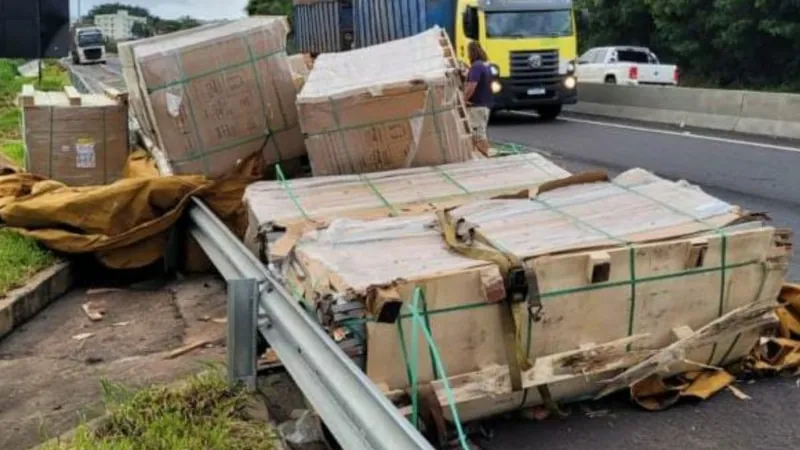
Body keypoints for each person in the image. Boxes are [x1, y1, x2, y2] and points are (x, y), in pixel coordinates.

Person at [463, 41, 493, 157]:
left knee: (478, 136)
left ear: (472, 52)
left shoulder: (476, 67)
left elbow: (472, 86)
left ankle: (487, 158)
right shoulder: (484, 65)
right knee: (479, 134)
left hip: (477, 107)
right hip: (484, 105)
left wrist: (463, 99)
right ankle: (483, 157)